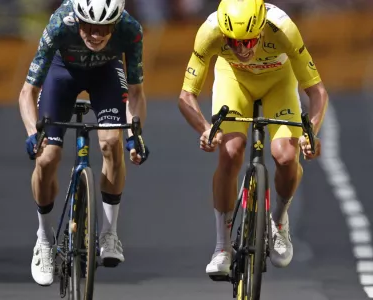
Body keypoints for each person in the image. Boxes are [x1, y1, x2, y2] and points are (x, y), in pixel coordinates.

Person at [178, 0, 328, 277]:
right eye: (233, 43)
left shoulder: (283, 28)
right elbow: (187, 95)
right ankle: (222, 247)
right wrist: (204, 129)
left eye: (248, 42)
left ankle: (279, 221)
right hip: (233, 81)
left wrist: (312, 132)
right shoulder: (209, 31)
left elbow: (316, 90)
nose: (241, 49)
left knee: (285, 155)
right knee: (231, 151)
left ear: (261, 29)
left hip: (278, 83)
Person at [18, 0, 149, 286]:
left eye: (104, 28)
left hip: (106, 74)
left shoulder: (131, 29)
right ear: (77, 20)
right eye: (89, 26)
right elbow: (28, 91)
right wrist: (32, 133)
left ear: (116, 24)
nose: (96, 35)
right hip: (61, 72)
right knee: (47, 157)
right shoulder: (59, 24)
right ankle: (43, 237)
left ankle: (109, 232)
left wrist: (133, 137)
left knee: (111, 141)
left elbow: (136, 91)